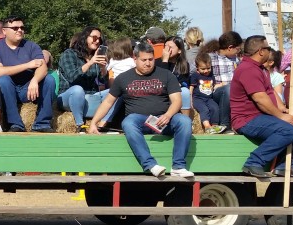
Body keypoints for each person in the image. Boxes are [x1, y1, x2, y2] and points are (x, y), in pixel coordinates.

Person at [88, 42, 193, 178]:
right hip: (140, 122)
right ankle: (150, 165)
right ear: (135, 59)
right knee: (128, 121)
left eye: (151, 59)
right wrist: (93, 123)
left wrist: (168, 115)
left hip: (164, 121)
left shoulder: (166, 75)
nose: (148, 63)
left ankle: (178, 166)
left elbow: (177, 100)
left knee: (184, 121)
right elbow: (108, 102)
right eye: (144, 60)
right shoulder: (123, 78)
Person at [228, 36, 293, 179]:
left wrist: (282, 108)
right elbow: (260, 99)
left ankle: (285, 166)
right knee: (288, 131)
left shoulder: (259, 69)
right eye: (268, 48)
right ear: (260, 51)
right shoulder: (248, 69)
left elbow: (269, 91)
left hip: (262, 117)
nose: (270, 51)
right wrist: (281, 116)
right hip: (247, 119)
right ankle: (254, 162)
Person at [0, 16, 56, 132]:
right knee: (3, 80)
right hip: (7, 90)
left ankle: (42, 124)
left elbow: (43, 67)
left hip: (29, 90)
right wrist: (27, 65)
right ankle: (15, 124)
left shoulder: (32, 46)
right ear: (4, 31)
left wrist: (35, 80)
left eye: (22, 28)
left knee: (49, 80)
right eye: (15, 28)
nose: (20, 30)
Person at [55, 25, 114, 132]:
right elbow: (72, 77)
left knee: (116, 91)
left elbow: (103, 83)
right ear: (85, 37)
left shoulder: (95, 56)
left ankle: (102, 124)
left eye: (99, 39)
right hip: (69, 97)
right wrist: (90, 63)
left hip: (90, 97)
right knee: (78, 89)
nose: (97, 41)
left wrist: (103, 68)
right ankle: (80, 125)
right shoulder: (69, 54)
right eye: (94, 38)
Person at [207, 31, 243, 131]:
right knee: (228, 89)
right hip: (218, 92)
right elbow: (196, 72)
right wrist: (212, 84)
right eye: (238, 49)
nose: (238, 52)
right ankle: (225, 125)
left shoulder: (236, 60)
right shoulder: (211, 57)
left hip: (234, 90)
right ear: (230, 47)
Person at [158, 36, 192, 118]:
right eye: (165, 46)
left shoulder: (183, 64)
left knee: (185, 92)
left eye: (170, 47)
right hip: (160, 91)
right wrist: (165, 61)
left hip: (175, 91)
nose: (167, 50)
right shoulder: (157, 62)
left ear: (179, 50)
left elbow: (184, 82)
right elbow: (162, 80)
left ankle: (185, 120)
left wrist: (177, 84)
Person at [190, 53, 222, 133]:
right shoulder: (195, 75)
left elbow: (213, 86)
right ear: (197, 68)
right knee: (204, 109)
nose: (206, 71)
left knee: (215, 108)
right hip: (198, 98)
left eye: (208, 68)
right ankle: (207, 126)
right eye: (203, 69)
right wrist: (190, 99)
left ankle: (214, 125)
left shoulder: (211, 75)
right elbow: (191, 87)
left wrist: (221, 84)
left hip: (209, 98)